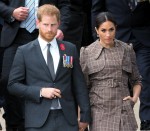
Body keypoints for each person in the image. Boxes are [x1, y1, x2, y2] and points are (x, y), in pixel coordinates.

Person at [7, 4, 91, 131]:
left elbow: (79, 84)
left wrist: (85, 115)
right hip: (37, 121)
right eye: (45, 25)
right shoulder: (24, 51)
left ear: (59, 24)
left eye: (53, 25)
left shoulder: (69, 49)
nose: (49, 29)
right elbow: (13, 85)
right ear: (38, 23)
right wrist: (40, 91)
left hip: (67, 119)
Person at [0, 0, 70, 130]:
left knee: (42, 81)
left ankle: (39, 124)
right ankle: (15, 124)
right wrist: (11, 12)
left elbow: (66, 5)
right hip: (15, 35)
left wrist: (60, 27)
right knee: (8, 79)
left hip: (44, 35)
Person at [91, 1, 150, 130]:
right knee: (118, 79)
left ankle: (147, 119)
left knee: (145, 75)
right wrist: (98, 37)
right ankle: (119, 119)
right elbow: (96, 9)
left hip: (144, 35)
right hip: (115, 35)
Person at [80, 12, 142, 131]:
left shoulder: (127, 49)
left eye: (111, 30)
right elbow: (82, 88)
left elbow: (136, 80)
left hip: (123, 110)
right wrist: (81, 116)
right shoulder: (87, 52)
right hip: (99, 111)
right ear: (96, 30)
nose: (108, 34)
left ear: (116, 29)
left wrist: (134, 99)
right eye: (103, 30)